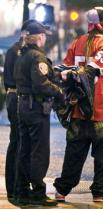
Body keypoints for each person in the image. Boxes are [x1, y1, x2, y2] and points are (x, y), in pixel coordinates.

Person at [53, 7, 103, 202]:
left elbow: (66, 71)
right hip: (101, 111)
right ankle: (99, 193)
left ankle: (61, 190)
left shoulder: (76, 43)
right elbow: (95, 68)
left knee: (74, 153)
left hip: (79, 111)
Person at [13, 21, 63, 206]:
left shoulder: (22, 54)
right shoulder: (37, 57)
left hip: (23, 106)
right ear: (40, 37)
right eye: (44, 35)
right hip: (35, 109)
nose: (44, 38)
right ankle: (39, 192)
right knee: (39, 152)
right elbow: (41, 84)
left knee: (24, 150)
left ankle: (21, 191)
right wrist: (59, 91)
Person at [3, 19, 36, 201]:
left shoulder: (14, 50)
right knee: (18, 143)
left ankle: (15, 187)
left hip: (13, 97)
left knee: (17, 142)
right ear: (25, 33)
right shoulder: (19, 51)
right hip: (17, 97)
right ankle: (15, 188)